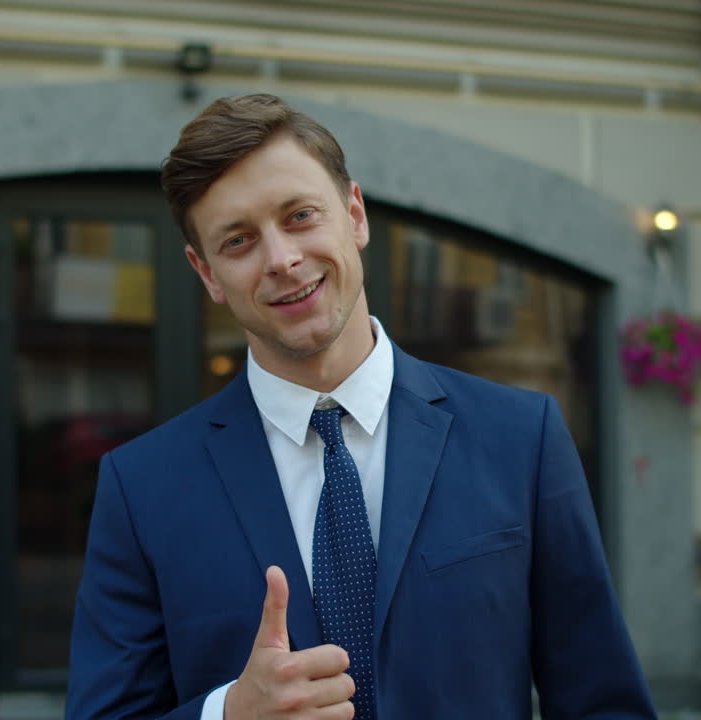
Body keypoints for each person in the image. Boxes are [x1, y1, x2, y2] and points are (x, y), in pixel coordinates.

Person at [66, 93, 656, 720]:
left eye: (299, 216)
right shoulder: (142, 487)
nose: (282, 259)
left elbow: (603, 702)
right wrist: (228, 714)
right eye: (238, 241)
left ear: (354, 214)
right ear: (207, 273)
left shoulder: (521, 437)